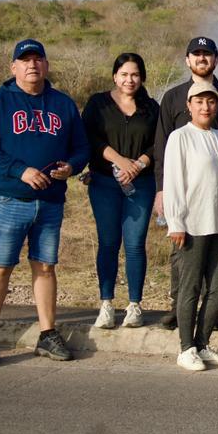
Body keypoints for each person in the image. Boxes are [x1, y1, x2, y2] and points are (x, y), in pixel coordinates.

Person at [0, 39, 89, 368]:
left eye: (38, 59)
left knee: (45, 267)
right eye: (25, 60)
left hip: (50, 202)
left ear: (46, 65)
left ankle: (47, 334)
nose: (32, 65)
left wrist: (71, 167)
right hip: (11, 199)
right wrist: (20, 170)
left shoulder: (63, 104)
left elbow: (81, 148)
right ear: (14, 67)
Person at [152, 35, 218, 329]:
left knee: (217, 258)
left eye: (208, 54)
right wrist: (161, 190)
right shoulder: (173, 97)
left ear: (216, 59)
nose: (202, 58)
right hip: (185, 192)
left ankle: (209, 315)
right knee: (183, 254)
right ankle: (179, 309)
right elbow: (161, 146)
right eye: (197, 54)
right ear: (187, 60)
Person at [82, 53, 159, 330]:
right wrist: (119, 160)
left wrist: (137, 164)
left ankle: (134, 305)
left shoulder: (151, 108)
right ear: (115, 76)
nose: (130, 79)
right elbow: (89, 137)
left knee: (136, 243)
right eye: (124, 74)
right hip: (104, 182)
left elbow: (158, 144)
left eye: (135, 74)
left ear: (142, 77)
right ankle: (106, 304)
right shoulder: (98, 103)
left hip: (141, 183)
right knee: (108, 242)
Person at [163, 84, 218, 372]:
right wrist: (176, 222)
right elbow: (173, 182)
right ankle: (186, 348)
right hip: (191, 225)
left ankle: (203, 343)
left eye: (210, 101)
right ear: (189, 105)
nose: (205, 107)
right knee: (190, 287)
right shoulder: (179, 137)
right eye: (199, 101)